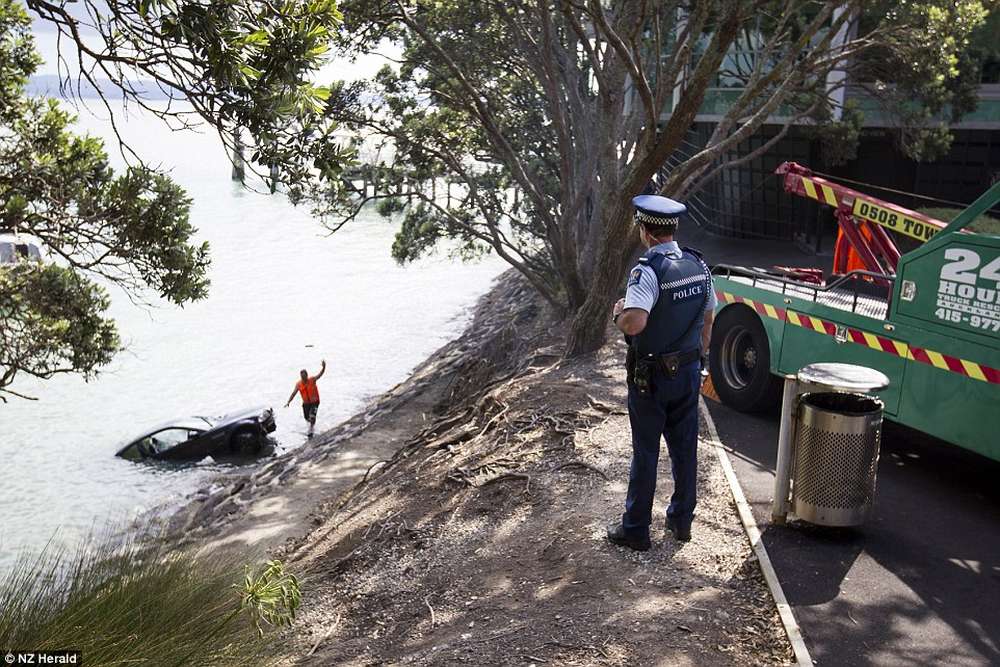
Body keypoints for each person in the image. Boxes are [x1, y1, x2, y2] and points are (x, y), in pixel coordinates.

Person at [606, 195, 716, 551]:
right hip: (688, 371)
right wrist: (701, 358)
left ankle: (636, 529)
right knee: (685, 451)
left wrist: (618, 314)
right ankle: (681, 522)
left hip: (651, 377)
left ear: (646, 230)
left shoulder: (648, 271)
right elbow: (708, 317)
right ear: (672, 229)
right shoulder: (699, 265)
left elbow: (635, 323)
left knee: (646, 452)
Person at [285, 360, 326, 437]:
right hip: (306, 403)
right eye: (302, 377)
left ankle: (311, 429)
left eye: (305, 377)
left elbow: (320, 374)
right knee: (307, 417)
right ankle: (311, 425)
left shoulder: (312, 379)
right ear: (301, 377)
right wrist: (288, 402)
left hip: (315, 402)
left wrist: (324, 367)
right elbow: (293, 393)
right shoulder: (298, 384)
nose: (304, 379)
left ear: (307, 375)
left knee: (312, 416)